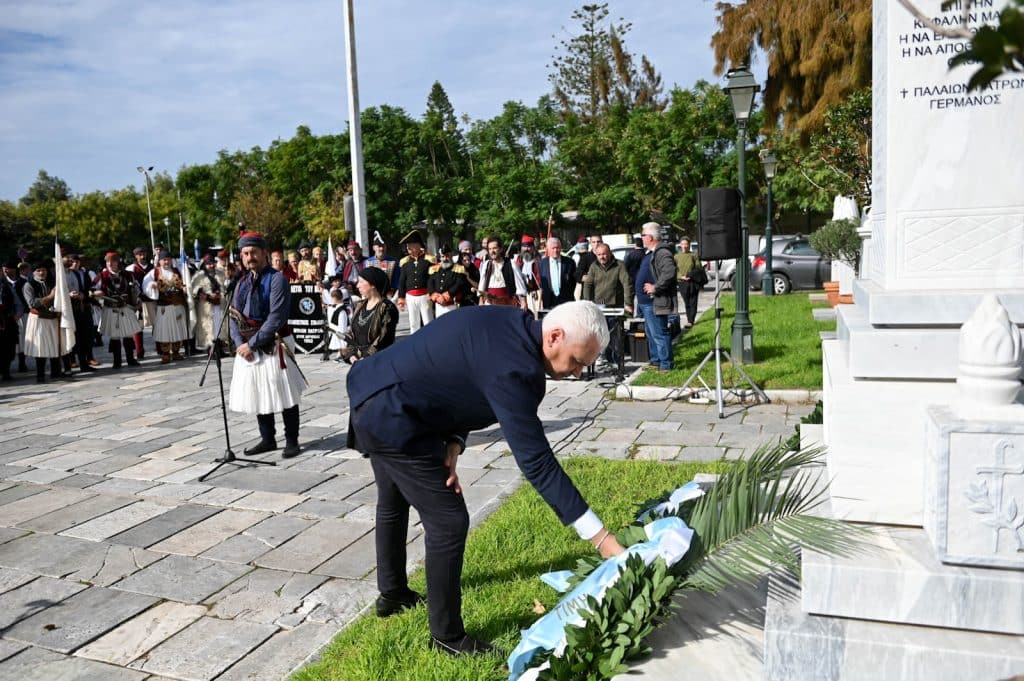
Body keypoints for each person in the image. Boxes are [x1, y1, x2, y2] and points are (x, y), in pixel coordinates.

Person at [346, 301, 625, 655]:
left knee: (393, 498)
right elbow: (537, 463)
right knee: (448, 520)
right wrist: (603, 539)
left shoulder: (509, 322)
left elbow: (460, 373)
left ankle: (393, 593)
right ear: (555, 336)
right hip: (394, 414)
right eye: (577, 362)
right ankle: (446, 636)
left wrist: (454, 442)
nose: (577, 373)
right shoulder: (516, 370)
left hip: (377, 390)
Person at [228, 232, 306, 459]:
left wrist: (251, 344)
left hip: (274, 342)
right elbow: (233, 316)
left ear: (264, 253)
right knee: (258, 390)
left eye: (253, 252)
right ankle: (268, 439)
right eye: (245, 253)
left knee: (283, 391)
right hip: (247, 347)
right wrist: (239, 343)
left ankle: (292, 440)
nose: (249, 257)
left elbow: (276, 317)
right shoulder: (241, 282)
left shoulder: (277, 279)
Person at [583, 243, 634, 367]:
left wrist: (628, 303)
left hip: (615, 305)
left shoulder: (619, 265)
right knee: (600, 333)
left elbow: (627, 283)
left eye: (604, 254)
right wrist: (587, 303)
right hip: (599, 304)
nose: (602, 257)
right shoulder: (594, 266)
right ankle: (601, 357)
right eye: (599, 254)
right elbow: (588, 285)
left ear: (610, 253)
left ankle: (616, 361)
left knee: (615, 334)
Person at [636, 222, 677, 371]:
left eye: (643, 235)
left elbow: (670, 273)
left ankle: (666, 364)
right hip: (645, 302)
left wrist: (655, 287)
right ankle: (656, 361)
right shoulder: (651, 252)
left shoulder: (662, 252)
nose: (642, 238)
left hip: (655, 301)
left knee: (659, 333)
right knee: (651, 333)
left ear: (651, 237)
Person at [340, 267, 398, 363]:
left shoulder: (387, 308)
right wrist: (351, 355)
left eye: (361, 282)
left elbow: (384, 338)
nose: (358, 286)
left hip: (379, 361)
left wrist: (367, 357)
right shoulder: (360, 305)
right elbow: (352, 334)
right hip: (359, 362)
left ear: (373, 285)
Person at [97, 251, 141, 369]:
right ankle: (117, 362)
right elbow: (92, 289)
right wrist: (97, 293)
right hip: (111, 308)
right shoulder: (102, 276)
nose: (110, 264)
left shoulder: (128, 274)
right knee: (115, 336)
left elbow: (137, 287)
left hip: (126, 307)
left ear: (118, 262)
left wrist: (136, 299)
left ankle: (131, 359)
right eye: (107, 261)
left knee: (128, 334)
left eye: (113, 261)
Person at [143, 251, 190, 364]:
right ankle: (165, 354)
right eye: (164, 260)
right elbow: (146, 284)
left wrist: (185, 288)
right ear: (159, 261)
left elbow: (186, 283)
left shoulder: (178, 271)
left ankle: (176, 352)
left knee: (178, 329)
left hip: (178, 305)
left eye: (168, 259)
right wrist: (152, 285)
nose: (166, 262)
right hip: (164, 307)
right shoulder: (154, 272)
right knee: (164, 331)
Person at [23, 262, 65, 382]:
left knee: (54, 344)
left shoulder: (51, 283)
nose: (41, 273)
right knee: (40, 347)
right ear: (34, 272)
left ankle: (55, 372)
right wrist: (51, 296)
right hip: (38, 319)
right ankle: (40, 375)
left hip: (52, 318)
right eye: (38, 270)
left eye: (44, 270)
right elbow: (32, 303)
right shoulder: (28, 285)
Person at [397, 229, 435, 333]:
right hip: (410, 297)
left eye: (411, 244)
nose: (408, 247)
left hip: (425, 296)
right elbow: (402, 281)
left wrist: (432, 293)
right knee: (413, 324)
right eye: (407, 245)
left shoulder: (429, 259)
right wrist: (401, 297)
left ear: (418, 245)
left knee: (428, 322)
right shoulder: (404, 262)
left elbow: (432, 279)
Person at [190, 255, 227, 351]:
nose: (211, 266)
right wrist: (206, 296)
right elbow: (195, 290)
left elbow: (225, 286)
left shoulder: (221, 273)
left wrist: (220, 294)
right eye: (208, 264)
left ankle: (219, 349)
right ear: (204, 265)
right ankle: (211, 350)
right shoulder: (199, 275)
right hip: (206, 306)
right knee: (209, 327)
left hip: (219, 304)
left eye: (212, 263)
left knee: (219, 325)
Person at [478, 236, 526, 308]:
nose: (492, 251)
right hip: (490, 303)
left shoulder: (511, 263)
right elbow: (482, 284)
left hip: (507, 303)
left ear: (500, 249)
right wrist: (481, 300)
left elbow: (519, 284)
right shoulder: (486, 265)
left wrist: (523, 301)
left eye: (494, 248)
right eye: (490, 249)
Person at [124, 246, 152, 360]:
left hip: (151, 301)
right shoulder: (131, 269)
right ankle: (139, 351)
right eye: (140, 254)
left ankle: (162, 349)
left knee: (156, 324)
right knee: (138, 327)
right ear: (135, 256)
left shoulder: (152, 267)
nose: (142, 256)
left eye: (144, 253)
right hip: (138, 302)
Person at [427, 245, 468, 317]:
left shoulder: (459, 268)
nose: (445, 259)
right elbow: (430, 283)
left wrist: (446, 296)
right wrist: (435, 296)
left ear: (451, 255)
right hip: (438, 304)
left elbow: (459, 284)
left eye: (447, 256)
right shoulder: (434, 269)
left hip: (452, 304)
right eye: (443, 256)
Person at [539, 237, 576, 310]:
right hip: (549, 302)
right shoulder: (542, 263)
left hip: (566, 301)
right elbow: (541, 281)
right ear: (548, 249)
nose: (555, 250)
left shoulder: (569, 263)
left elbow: (573, 282)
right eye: (553, 248)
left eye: (558, 248)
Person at [674, 237, 703, 327]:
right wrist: (681, 277)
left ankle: (691, 321)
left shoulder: (693, 255)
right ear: (680, 245)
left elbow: (699, 268)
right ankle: (689, 318)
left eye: (686, 244)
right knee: (687, 302)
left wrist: (691, 275)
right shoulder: (676, 257)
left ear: (689, 245)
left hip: (693, 282)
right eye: (683, 244)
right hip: (682, 282)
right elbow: (674, 270)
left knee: (693, 301)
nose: (684, 246)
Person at [514, 235, 542, 317]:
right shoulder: (518, 260)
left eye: (529, 246)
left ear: (533, 247)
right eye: (524, 246)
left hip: (536, 293)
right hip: (522, 295)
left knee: (536, 316)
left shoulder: (538, 259)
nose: (526, 249)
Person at [0, 261, 18, 380]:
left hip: (7, 319)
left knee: (8, 346)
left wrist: (16, 313)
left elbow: (15, 301)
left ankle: (6, 371)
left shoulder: (6, 285)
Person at [323, 287, 350, 361]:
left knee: (342, 344)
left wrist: (339, 332)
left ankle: (345, 356)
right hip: (337, 331)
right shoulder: (338, 307)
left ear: (334, 298)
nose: (331, 300)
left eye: (332, 298)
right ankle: (341, 355)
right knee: (339, 344)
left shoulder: (341, 310)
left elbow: (343, 326)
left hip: (341, 332)